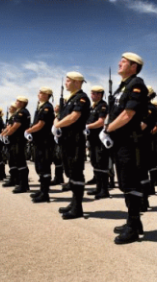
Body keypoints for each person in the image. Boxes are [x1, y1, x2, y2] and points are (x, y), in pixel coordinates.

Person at [101, 52, 149, 244]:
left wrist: (107, 129)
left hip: (131, 142)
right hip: (121, 141)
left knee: (131, 183)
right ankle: (133, 221)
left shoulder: (136, 84)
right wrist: (108, 127)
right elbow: (114, 112)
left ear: (134, 67)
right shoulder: (123, 86)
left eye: (124, 62)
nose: (120, 64)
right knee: (125, 182)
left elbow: (128, 114)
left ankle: (133, 226)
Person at [53, 72, 90, 219]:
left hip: (75, 140)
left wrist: (57, 125)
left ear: (76, 82)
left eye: (68, 80)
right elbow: (63, 116)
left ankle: (77, 207)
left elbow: (74, 117)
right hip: (67, 140)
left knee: (76, 172)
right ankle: (74, 202)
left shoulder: (81, 98)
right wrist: (58, 116)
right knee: (70, 172)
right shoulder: (70, 99)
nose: (65, 83)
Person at [26, 87, 56, 203]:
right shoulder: (40, 106)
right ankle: (42, 190)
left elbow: (40, 124)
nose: (38, 94)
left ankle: (45, 193)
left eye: (41, 93)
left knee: (44, 167)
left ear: (46, 95)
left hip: (45, 142)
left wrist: (28, 131)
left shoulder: (47, 107)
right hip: (39, 141)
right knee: (39, 166)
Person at [1, 97, 32, 193]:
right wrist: (5, 134)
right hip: (15, 140)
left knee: (20, 162)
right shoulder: (19, 112)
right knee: (16, 161)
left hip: (19, 140)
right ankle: (20, 183)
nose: (15, 103)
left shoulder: (21, 112)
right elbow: (11, 126)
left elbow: (15, 126)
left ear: (22, 103)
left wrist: (6, 134)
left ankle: (23, 185)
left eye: (17, 101)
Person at [86, 86, 110, 199]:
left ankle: (104, 190)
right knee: (95, 163)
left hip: (100, 139)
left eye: (94, 93)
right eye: (92, 93)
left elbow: (101, 122)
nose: (92, 95)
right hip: (92, 139)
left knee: (101, 164)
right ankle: (98, 188)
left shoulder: (102, 106)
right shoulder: (92, 107)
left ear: (100, 95)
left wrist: (87, 126)